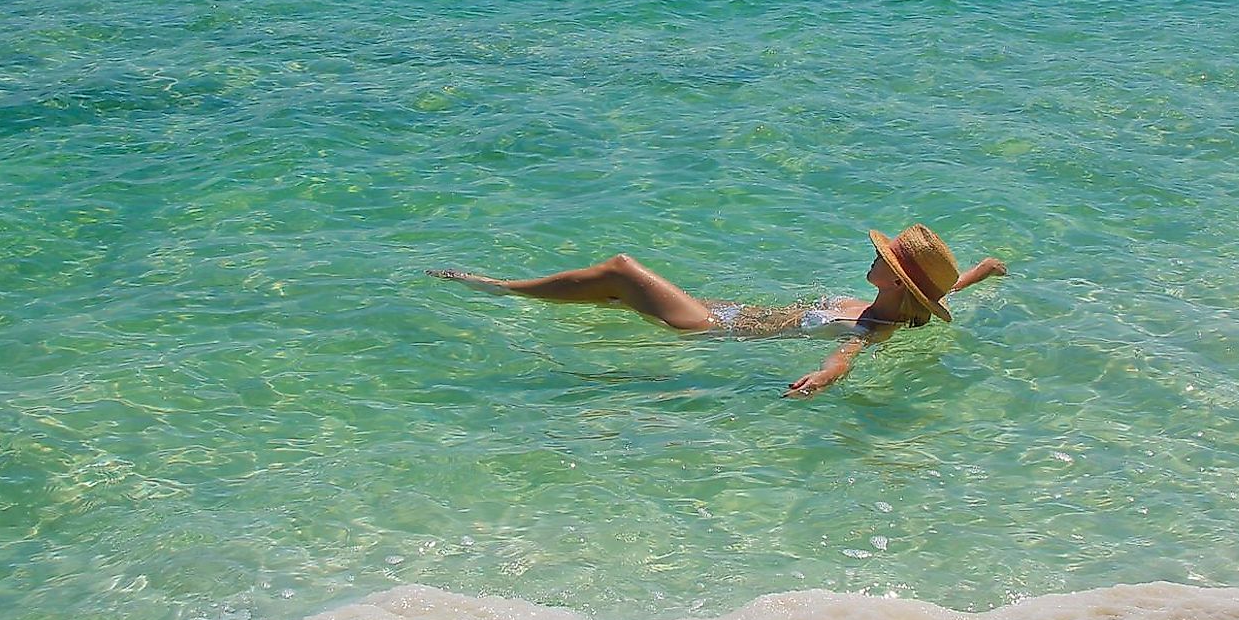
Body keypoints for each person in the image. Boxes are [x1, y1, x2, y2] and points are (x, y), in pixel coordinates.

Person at [431, 223, 1006, 397]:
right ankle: (524, 290)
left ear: (900, 282)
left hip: (710, 329)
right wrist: (983, 269)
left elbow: (849, 352)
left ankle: (503, 288)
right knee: (612, 292)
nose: (872, 258)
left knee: (621, 270)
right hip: (727, 310)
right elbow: (949, 292)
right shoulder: (897, 305)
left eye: (882, 259)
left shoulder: (877, 322)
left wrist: (826, 375)